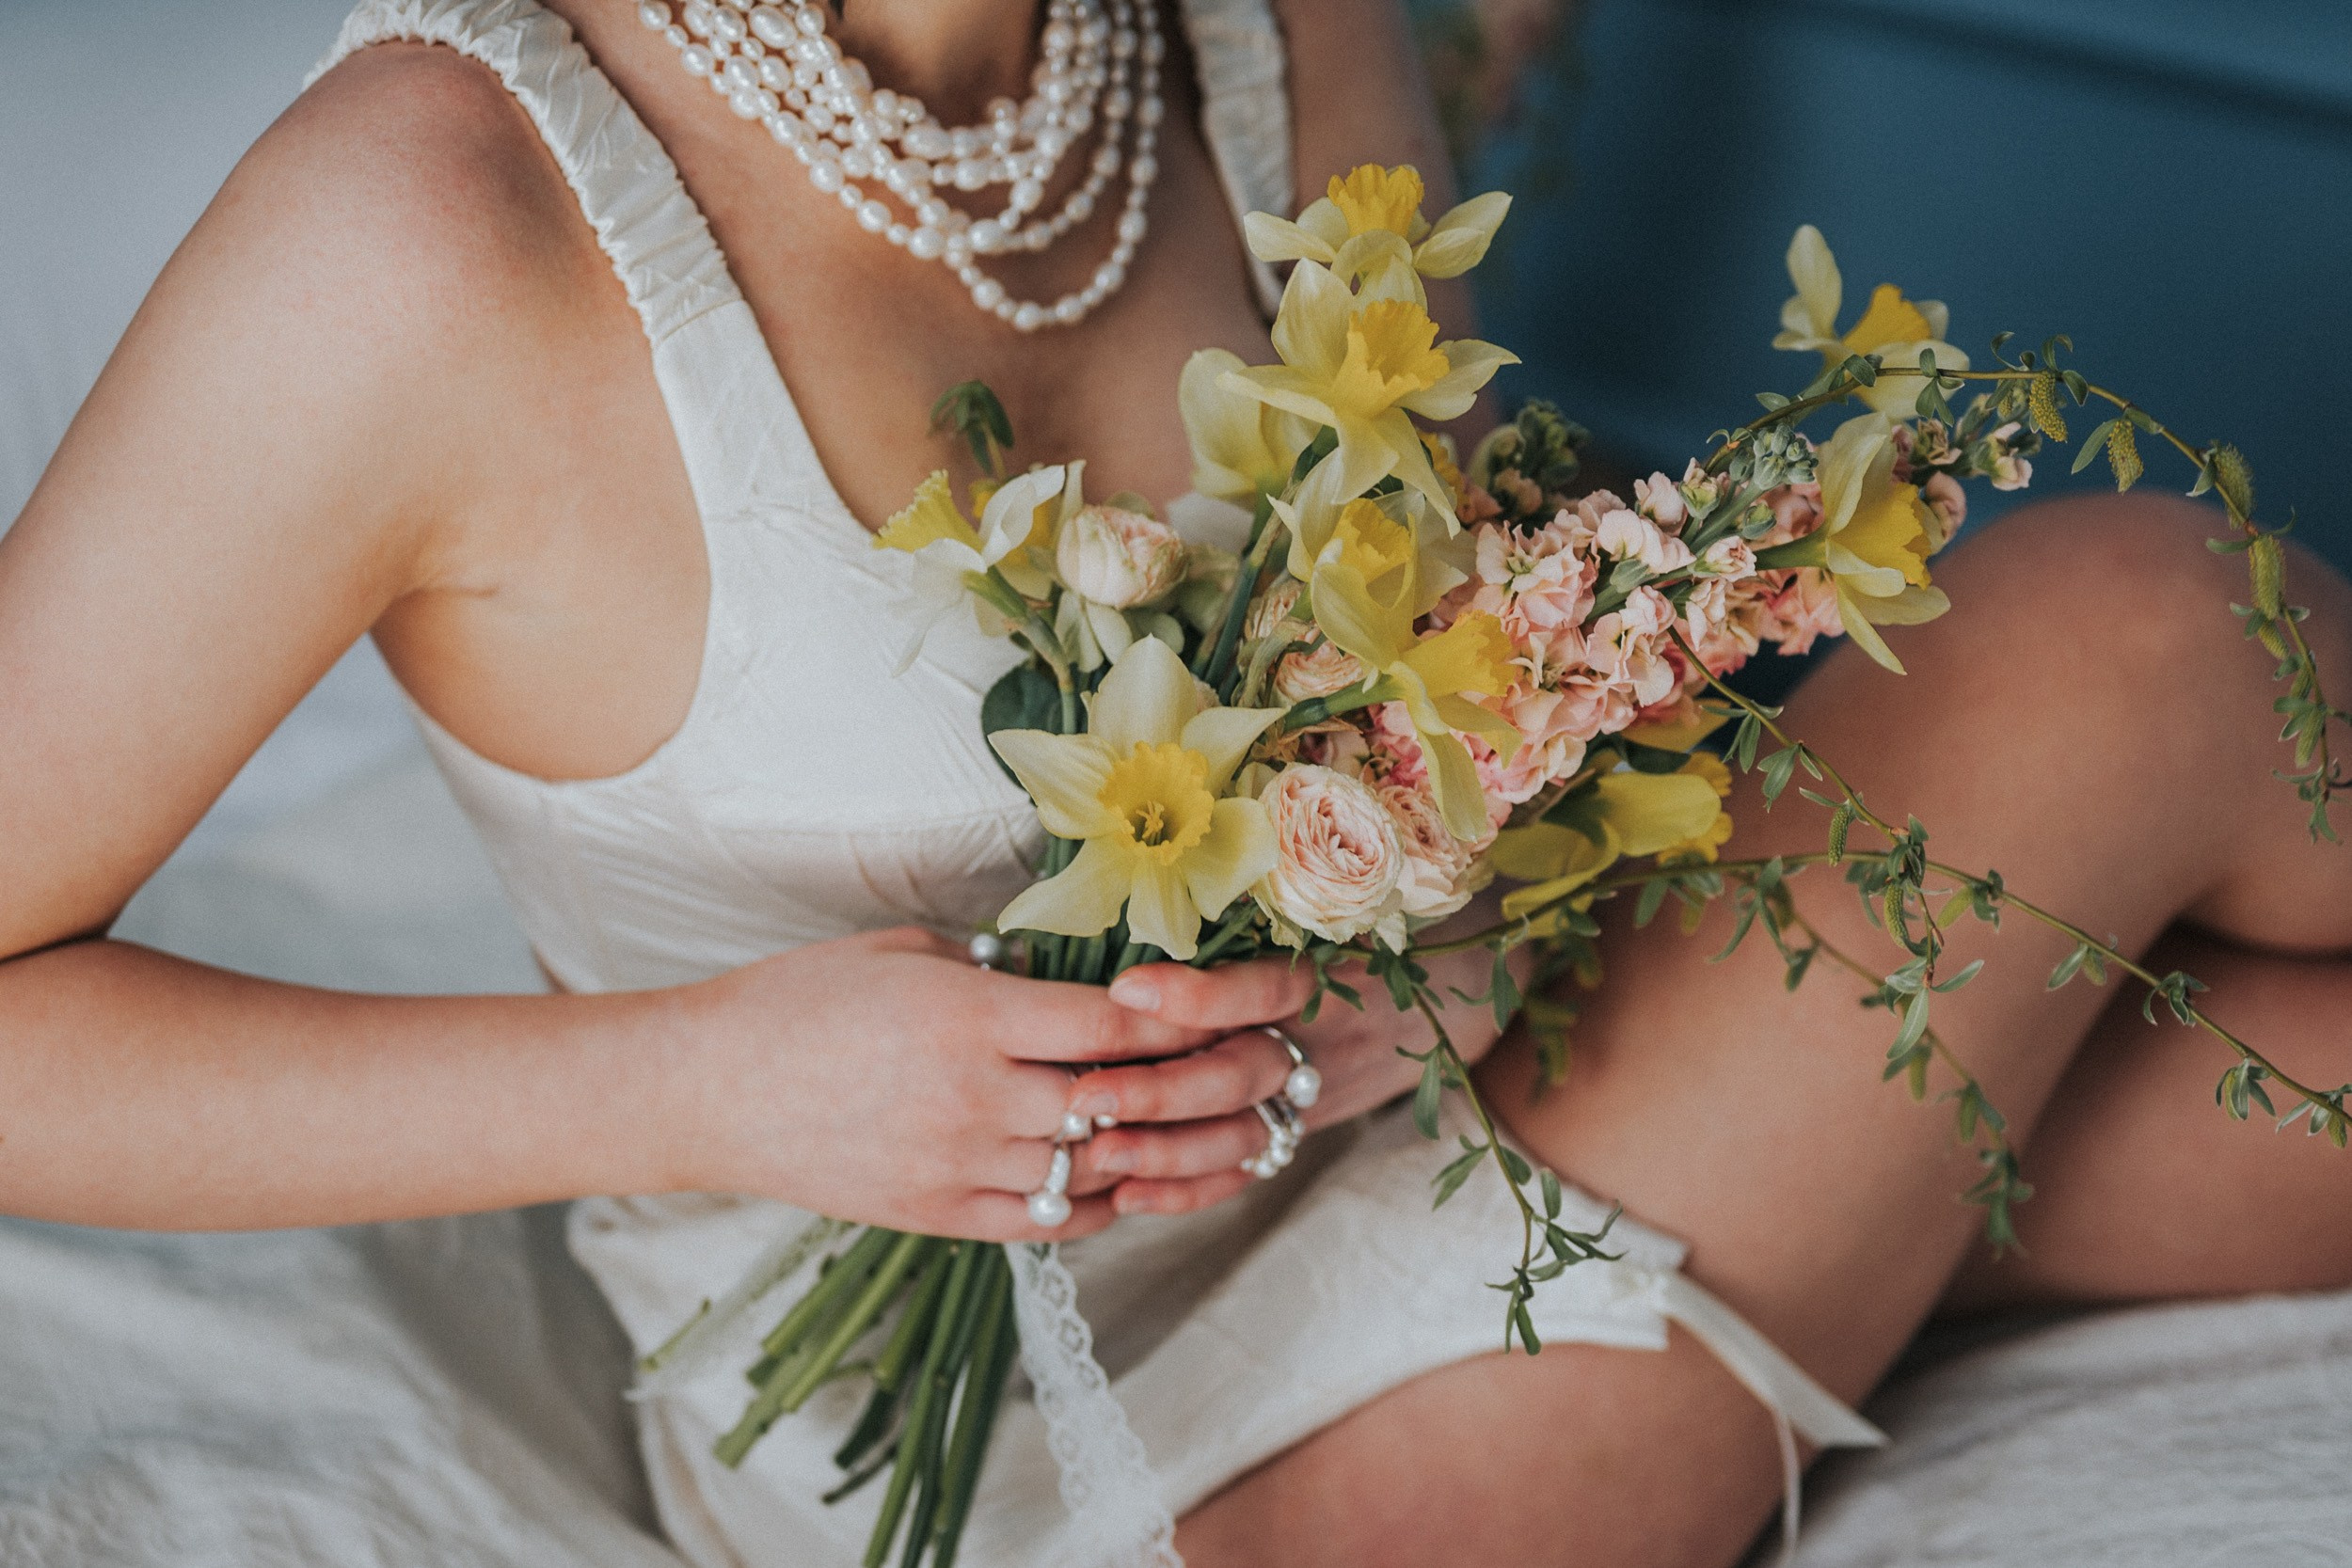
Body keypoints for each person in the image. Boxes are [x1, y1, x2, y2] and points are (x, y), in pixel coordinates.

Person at [0, 0, 2343, 1563]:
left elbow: (1426, 672)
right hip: (1065, 1457)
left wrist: (1468, 871)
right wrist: (698, 1088)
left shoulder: (1255, 36)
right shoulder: (421, 231)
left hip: (1474, 1097)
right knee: (2127, 626)